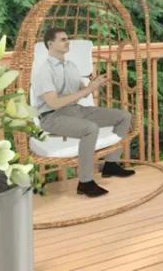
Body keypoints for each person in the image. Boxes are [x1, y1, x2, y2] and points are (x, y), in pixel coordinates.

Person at [32, 28, 136, 197]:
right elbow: (55, 103)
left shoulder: (71, 66)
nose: (68, 42)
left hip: (76, 109)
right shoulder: (43, 71)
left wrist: (93, 85)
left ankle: (110, 164)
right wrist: (86, 90)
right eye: (63, 39)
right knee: (90, 128)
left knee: (124, 116)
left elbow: (84, 92)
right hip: (52, 116)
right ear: (50, 44)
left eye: (68, 38)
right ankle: (85, 183)